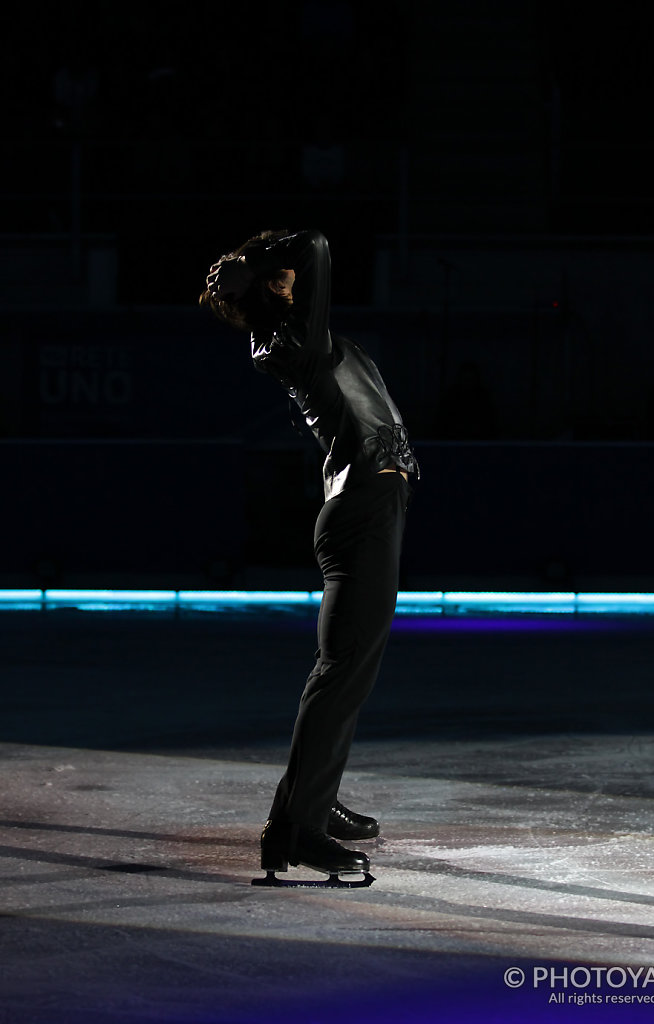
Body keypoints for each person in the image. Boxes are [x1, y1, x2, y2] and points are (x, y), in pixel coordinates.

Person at [200, 229, 418, 885]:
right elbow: (320, 245)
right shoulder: (294, 342)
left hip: (370, 509)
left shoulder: (292, 335)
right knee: (341, 673)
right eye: (281, 273)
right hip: (360, 515)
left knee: (347, 675)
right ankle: (299, 830)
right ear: (270, 285)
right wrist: (259, 256)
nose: (294, 275)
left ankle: (308, 806)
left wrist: (256, 267)